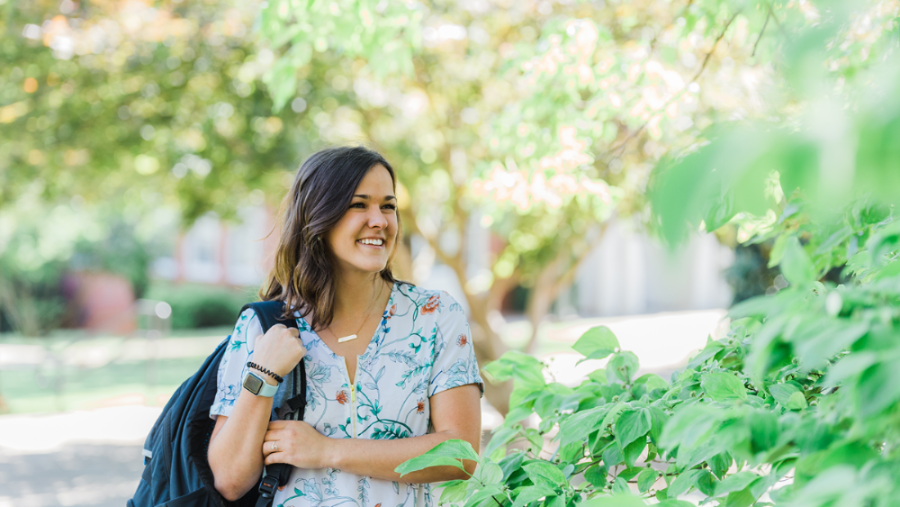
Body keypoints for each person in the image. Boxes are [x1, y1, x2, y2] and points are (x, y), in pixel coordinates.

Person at [207, 146, 484, 507]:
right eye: (359, 205)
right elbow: (229, 481)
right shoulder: (265, 326)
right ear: (318, 217)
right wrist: (262, 373)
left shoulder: (435, 316)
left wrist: (326, 451)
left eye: (388, 205)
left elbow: (459, 455)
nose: (380, 220)